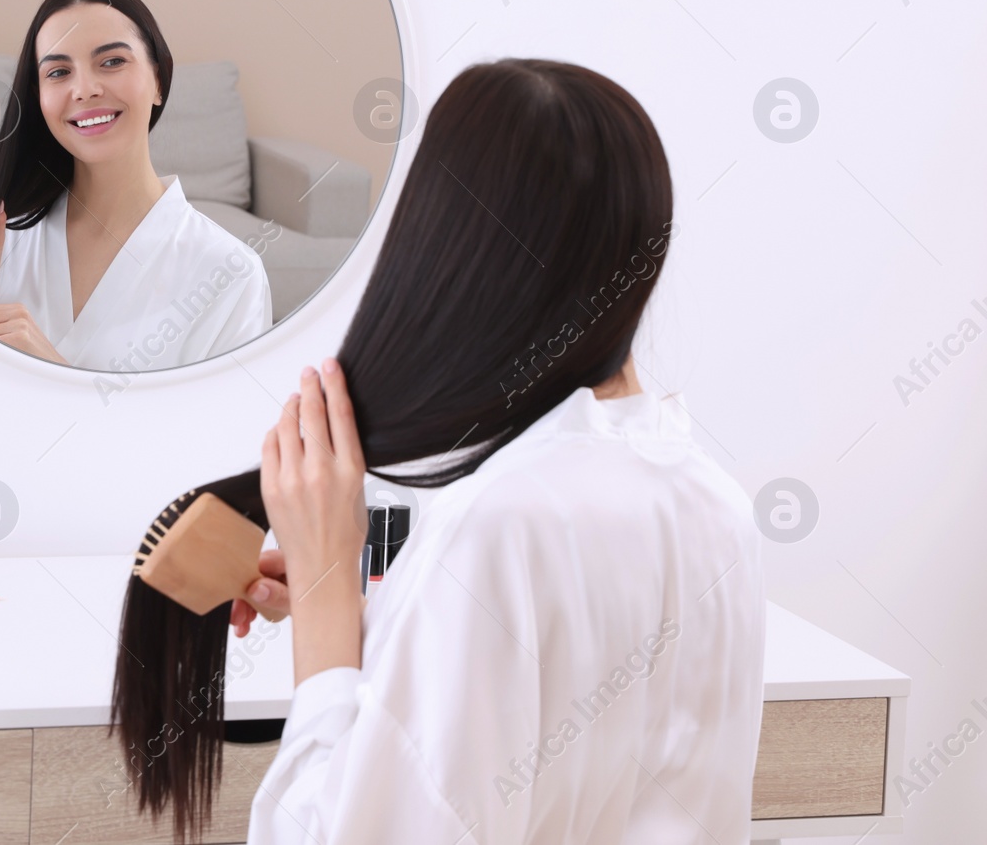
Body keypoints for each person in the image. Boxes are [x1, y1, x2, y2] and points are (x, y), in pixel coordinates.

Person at [215, 59, 766, 842]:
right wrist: (378, 613)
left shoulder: (501, 522)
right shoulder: (715, 503)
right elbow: (565, 718)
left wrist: (331, 602)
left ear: (452, 249)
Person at [0, 0, 272, 369]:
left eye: (112, 62)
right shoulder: (1, 244)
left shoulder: (230, 273)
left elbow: (218, 430)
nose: (84, 89)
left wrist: (58, 374)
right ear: (39, 97)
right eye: (58, 72)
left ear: (159, 79)